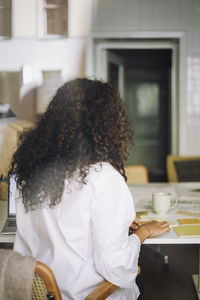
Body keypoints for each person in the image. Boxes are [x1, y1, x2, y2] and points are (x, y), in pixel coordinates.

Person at [8, 78, 170, 300]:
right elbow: (115, 267)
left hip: (37, 291)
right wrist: (142, 234)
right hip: (84, 294)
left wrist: (118, 225)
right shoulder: (103, 177)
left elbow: (58, 230)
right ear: (109, 125)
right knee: (145, 279)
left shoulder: (30, 171)